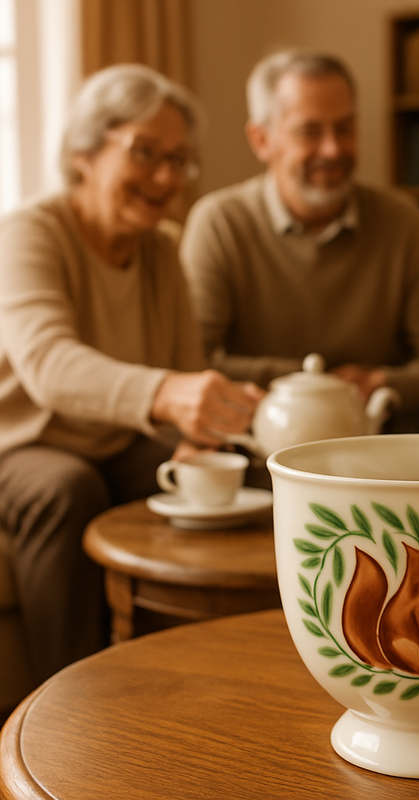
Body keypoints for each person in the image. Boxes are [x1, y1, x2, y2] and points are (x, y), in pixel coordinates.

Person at [0, 64, 263, 682]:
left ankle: (209, 681)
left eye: (178, 159)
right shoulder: (28, 233)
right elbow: (47, 364)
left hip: (117, 442)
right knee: (65, 490)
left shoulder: (162, 250)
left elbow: (185, 368)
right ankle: (63, 704)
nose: (167, 177)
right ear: (84, 152)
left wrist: (204, 435)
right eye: (146, 153)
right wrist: (169, 395)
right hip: (22, 445)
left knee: (235, 479)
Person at [180, 49, 419, 432]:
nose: (333, 149)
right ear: (262, 140)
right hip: (259, 449)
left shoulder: (404, 222)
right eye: (310, 132)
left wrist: (379, 383)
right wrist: (314, 383)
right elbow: (193, 361)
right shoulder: (220, 223)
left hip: (378, 452)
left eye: (345, 128)